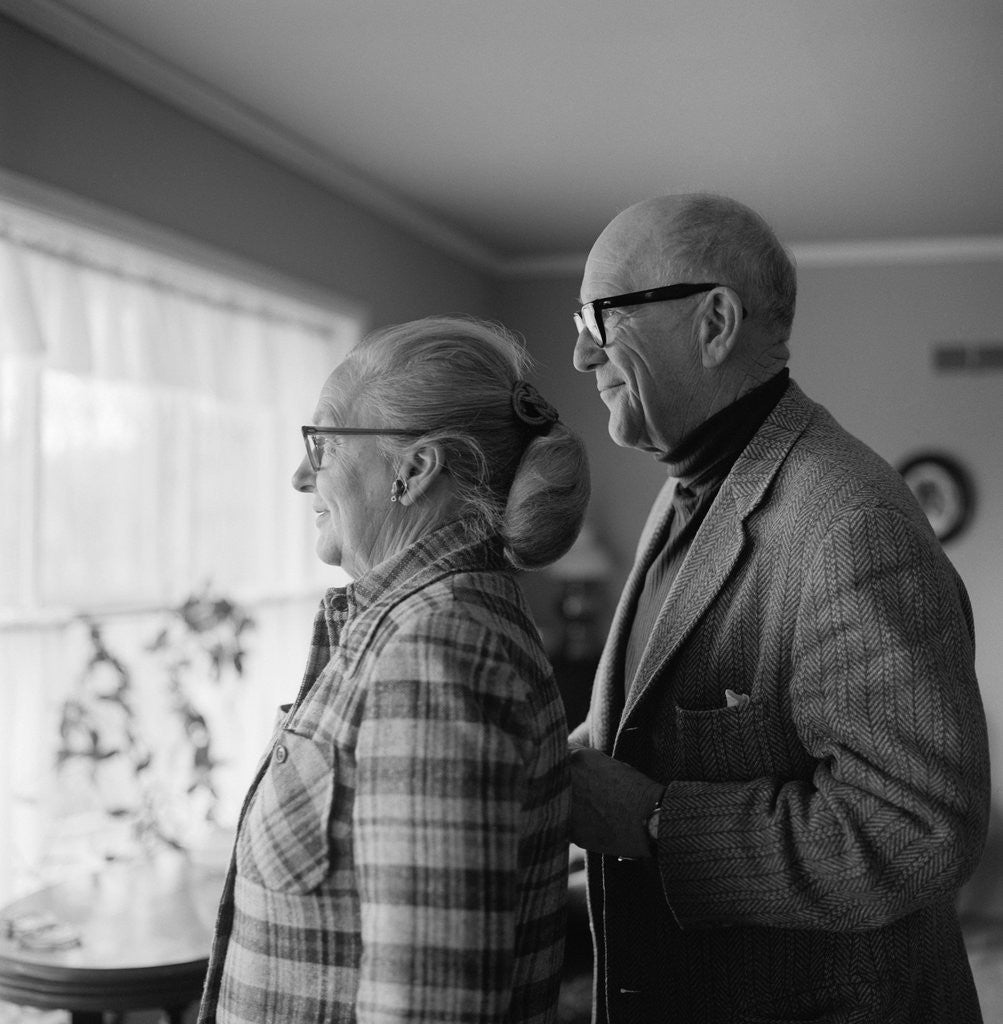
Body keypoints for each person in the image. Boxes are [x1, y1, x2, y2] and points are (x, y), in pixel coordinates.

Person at [568, 193, 990, 1023]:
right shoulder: (679, 492)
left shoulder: (850, 524)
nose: (582, 355)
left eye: (598, 316)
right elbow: (650, 727)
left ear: (713, 322)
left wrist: (652, 820)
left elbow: (915, 829)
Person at [198, 315, 590, 1024]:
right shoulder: (409, 630)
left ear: (413, 469)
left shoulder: (437, 650)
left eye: (320, 443)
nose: (298, 476)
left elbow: (430, 1005)